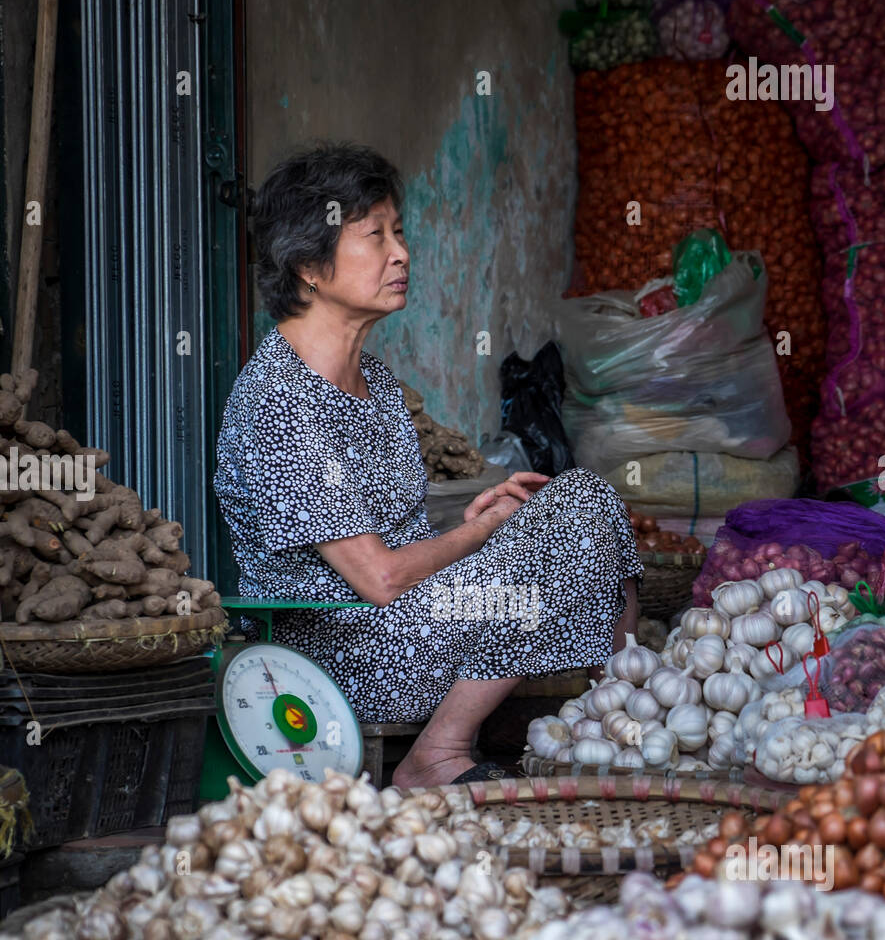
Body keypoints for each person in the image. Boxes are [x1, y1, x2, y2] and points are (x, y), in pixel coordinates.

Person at [215, 141, 643, 787]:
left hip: (419, 621)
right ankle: (436, 755)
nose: (401, 254)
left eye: (399, 232)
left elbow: (402, 541)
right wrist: (476, 536)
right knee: (573, 512)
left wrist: (479, 524)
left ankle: (621, 719)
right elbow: (379, 580)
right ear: (307, 264)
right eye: (374, 236)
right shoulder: (280, 402)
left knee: (588, 501)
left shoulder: (377, 383)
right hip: (348, 655)